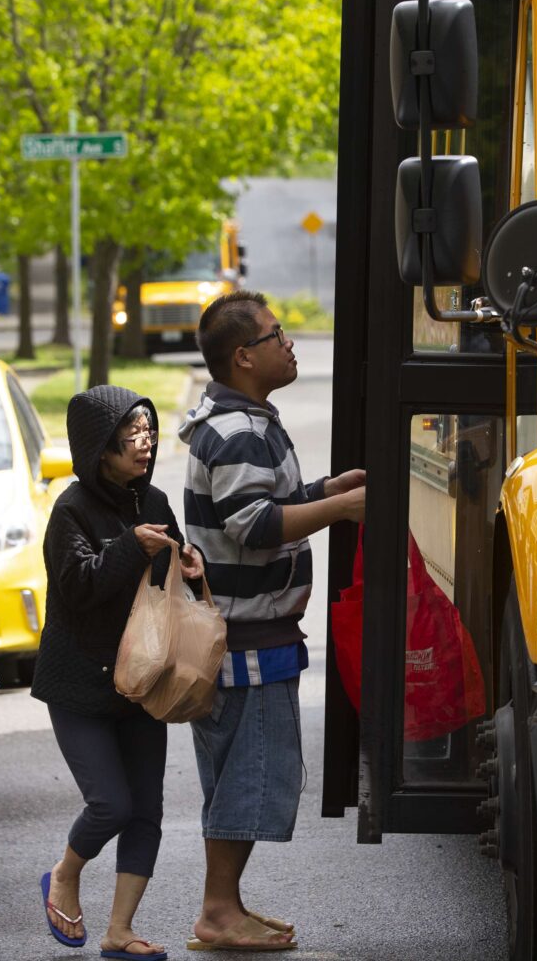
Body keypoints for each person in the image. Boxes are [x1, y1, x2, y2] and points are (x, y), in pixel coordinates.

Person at [177, 291, 366, 952]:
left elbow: (270, 504)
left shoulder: (245, 420)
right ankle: (219, 911)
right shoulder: (239, 432)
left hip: (252, 635)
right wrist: (343, 512)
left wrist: (325, 492)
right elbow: (253, 525)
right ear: (244, 357)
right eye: (276, 334)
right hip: (244, 641)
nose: (289, 344)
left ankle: (223, 905)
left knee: (241, 773)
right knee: (250, 774)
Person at [30, 386, 204, 961]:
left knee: (147, 810)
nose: (145, 445)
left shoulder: (153, 501)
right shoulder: (71, 509)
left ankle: (120, 930)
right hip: (80, 684)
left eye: (149, 434)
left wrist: (192, 568)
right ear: (99, 448)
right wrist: (131, 547)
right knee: (111, 804)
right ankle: (63, 874)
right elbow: (79, 589)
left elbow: (169, 581)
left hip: (142, 681)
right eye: (132, 437)